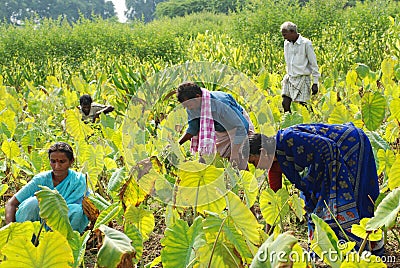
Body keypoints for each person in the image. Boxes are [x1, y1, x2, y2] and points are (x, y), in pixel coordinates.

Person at [245, 123, 383, 253]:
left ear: (262, 152)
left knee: (354, 195)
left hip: (350, 144)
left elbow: (328, 146)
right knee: (318, 206)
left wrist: (325, 185)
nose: (255, 167)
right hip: (331, 156)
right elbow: (274, 202)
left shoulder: (288, 138)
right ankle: (343, 247)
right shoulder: (274, 167)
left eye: (252, 161)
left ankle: (368, 243)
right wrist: (267, 240)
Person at [5, 142, 89, 233]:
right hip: (34, 228)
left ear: (71, 161)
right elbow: (12, 203)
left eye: (62, 162)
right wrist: (10, 229)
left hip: (61, 229)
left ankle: (65, 242)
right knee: (33, 203)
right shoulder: (41, 179)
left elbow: (91, 204)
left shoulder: (79, 180)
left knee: (77, 211)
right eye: (53, 161)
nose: (57, 166)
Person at [177, 81, 254, 170]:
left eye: (188, 105)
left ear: (198, 97)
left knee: (238, 159)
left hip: (238, 126)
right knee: (211, 158)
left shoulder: (221, 104)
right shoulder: (192, 105)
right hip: (220, 129)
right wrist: (177, 144)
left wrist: (235, 154)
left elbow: (241, 128)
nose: (188, 108)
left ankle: (244, 182)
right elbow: (193, 128)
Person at [280, 21, 320, 113]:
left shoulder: (306, 43)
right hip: (290, 77)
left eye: (285, 35)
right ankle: (289, 125)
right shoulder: (286, 43)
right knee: (285, 103)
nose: (284, 37)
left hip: (302, 78)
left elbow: (313, 63)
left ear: (292, 32)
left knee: (303, 106)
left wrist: (315, 82)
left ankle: (308, 123)